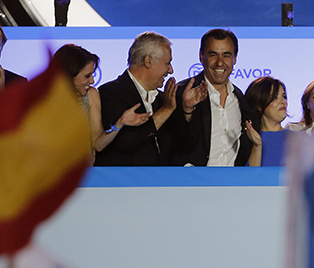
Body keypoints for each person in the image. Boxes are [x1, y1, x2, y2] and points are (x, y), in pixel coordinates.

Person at [53, 44, 149, 164]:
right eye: (87, 76)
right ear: (68, 75)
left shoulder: (91, 95)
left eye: (92, 75)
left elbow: (98, 144)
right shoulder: (42, 100)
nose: (92, 81)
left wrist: (120, 123)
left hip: (86, 176)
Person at [94, 31, 179, 166]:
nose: (171, 70)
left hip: (161, 183)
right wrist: (166, 110)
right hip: (124, 184)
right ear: (148, 61)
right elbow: (125, 142)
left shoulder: (163, 99)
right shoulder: (110, 93)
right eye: (167, 63)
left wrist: (188, 109)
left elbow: (180, 145)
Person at [173, 28, 255, 166]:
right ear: (201, 56)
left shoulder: (241, 99)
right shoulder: (181, 92)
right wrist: (188, 110)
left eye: (226, 55)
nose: (220, 62)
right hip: (193, 182)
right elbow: (174, 143)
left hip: (232, 183)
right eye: (213, 55)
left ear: (235, 59)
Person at [243, 76, 290, 166]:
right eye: (274, 97)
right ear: (259, 105)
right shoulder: (248, 139)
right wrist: (257, 146)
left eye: (283, 96)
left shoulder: (296, 138)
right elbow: (249, 177)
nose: (282, 101)